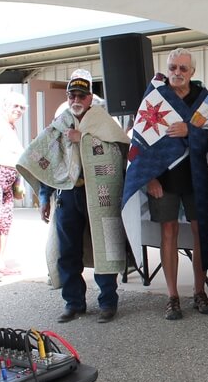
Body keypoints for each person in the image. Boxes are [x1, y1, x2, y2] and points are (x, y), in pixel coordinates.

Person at [17, 70, 129, 323]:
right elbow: (48, 160)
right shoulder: (60, 123)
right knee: (67, 251)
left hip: (100, 195)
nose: (76, 99)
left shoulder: (103, 121)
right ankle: (73, 302)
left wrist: (84, 140)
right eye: (72, 95)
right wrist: (44, 196)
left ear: (90, 97)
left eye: (81, 95)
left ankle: (108, 303)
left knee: (106, 246)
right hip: (68, 194)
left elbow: (117, 152)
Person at [121, 49, 208, 320]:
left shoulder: (205, 100)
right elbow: (139, 140)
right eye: (173, 67)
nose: (177, 72)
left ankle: (200, 292)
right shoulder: (155, 97)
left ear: (192, 72)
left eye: (183, 69)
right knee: (168, 232)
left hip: (196, 175)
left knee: (200, 233)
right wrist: (148, 177)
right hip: (162, 177)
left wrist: (191, 130)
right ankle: (172, 296)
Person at [0, 92, 27, 282]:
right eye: (14, 106)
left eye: (21, 107)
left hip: (8, 182)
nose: (18, 110)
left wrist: (18, 183)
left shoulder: (12, 128)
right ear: (5, 106)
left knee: (4, 222)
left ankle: (0, 263)